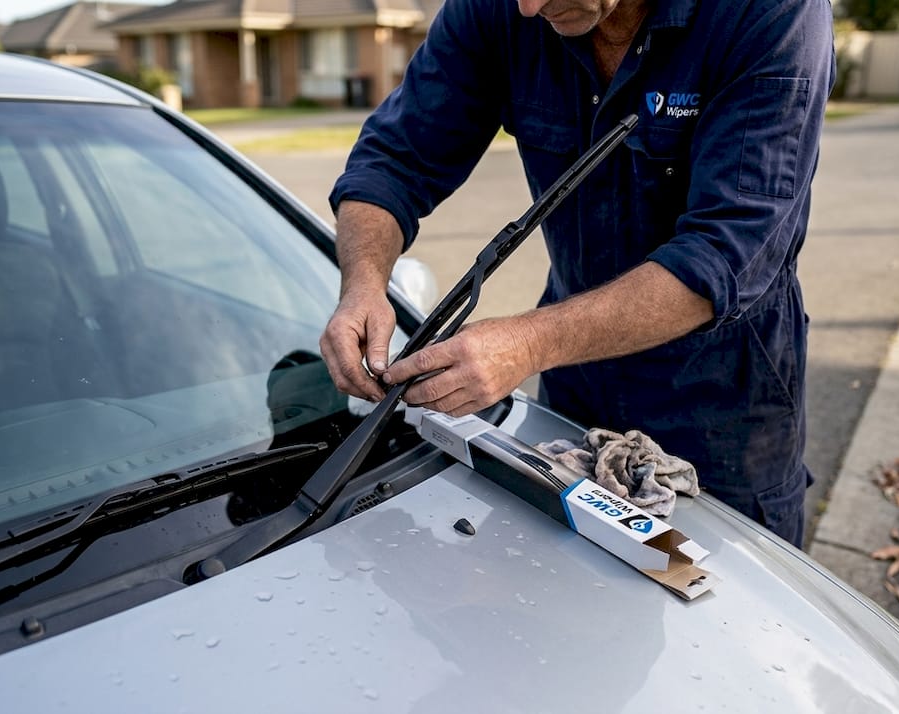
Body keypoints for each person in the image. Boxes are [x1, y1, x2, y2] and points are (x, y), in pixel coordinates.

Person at [319, 0, 835, 547]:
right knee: (567, 583)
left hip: (723, 413)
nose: (528, 7)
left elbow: (726, 253)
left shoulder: (769, 13)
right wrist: (362, 285)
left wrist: (526, 345)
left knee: (717, 592)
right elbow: (392, 161)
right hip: (574, 394)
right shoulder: (499, 9)